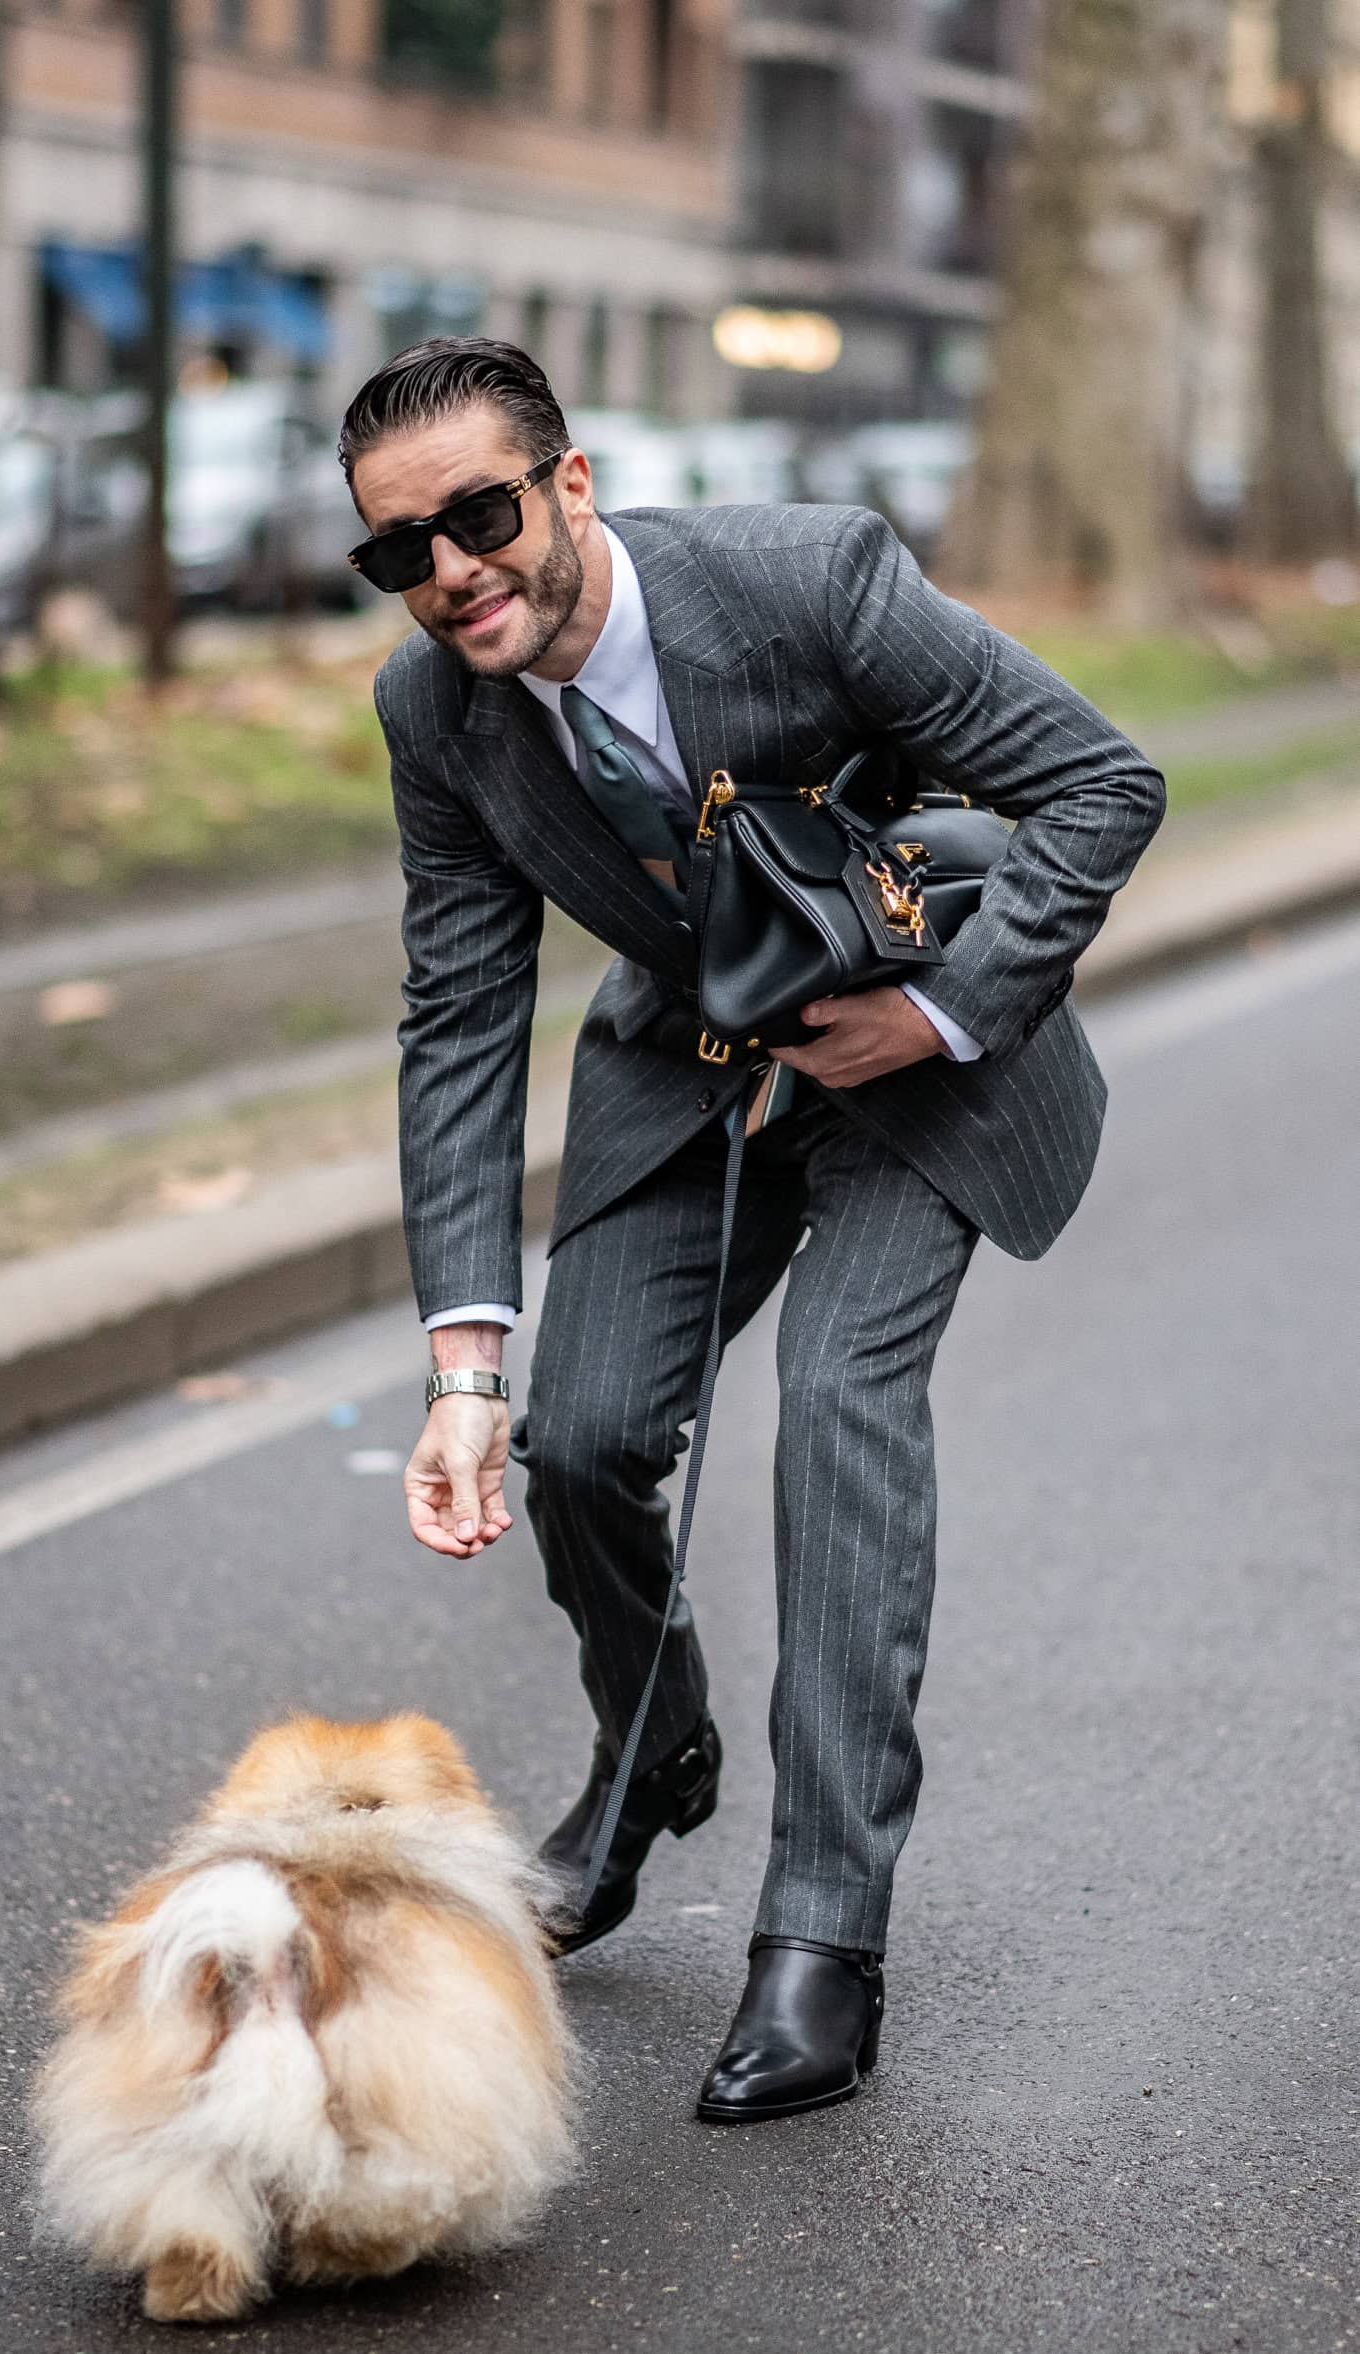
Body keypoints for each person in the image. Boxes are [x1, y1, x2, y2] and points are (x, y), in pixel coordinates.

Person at [340, 336, 1164, 2123]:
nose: (449, 573)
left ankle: (820, 1939)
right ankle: (654, 1753)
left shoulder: (814, 584)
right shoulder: (437, 718)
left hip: (928, 1050)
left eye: (478, 516)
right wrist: (461, 1367)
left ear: (568, 485)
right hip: (690, 1069)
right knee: (584, 1445)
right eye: (398, 552)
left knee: (839, 1416)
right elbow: (461, 1015)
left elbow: (1107, 784)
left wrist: (936, 1017)